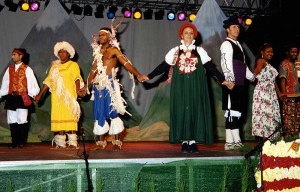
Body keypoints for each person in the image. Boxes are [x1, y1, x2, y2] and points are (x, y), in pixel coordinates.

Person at [139, 23, 234, 153]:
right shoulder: (175, 51)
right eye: (186, 33)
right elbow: (163, 66)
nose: (188, 35)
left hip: (196, 86)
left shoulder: (200, 52)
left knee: (195, 110)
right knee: (182, 110)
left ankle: (193, 142)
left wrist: (223, 80)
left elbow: (211, 68)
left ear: (194, 35)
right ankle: (184, 142)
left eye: (191, 33)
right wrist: (149, 76)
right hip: (180, 86)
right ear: (181, 36)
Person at [87, 21, 143, 151]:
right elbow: (93, 71)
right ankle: (101, 142)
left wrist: (137, 74)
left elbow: (126, 64)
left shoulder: (114, 50)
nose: (100, 37)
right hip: (98, 86)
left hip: (110, 84)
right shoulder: (97, 51)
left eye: (103, 35)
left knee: (113, 112)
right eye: (99, 35)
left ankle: (117, 141)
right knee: (99, 113)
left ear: (109, 37)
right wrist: (86, 85)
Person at [34, 41, 86, 148]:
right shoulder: (54, 67)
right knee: (59, 117)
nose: (61, 54)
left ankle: (72, 142)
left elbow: (77, 77)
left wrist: (77, 89)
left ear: (68, 53)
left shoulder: (73, 65)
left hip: (69, 97)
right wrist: (40, 95)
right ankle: (61, 142)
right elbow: (48, 81)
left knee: (70, 117)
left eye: (64, 52)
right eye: (60, 52)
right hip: (57, 97)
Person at [220, 17, 255, 151]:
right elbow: (225, 63)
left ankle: (230, 141)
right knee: (232, 112)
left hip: (240, 83)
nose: (237, 29)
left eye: (238, 27)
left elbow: (243, 67)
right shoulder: (227, 44)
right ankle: (235, 140)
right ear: (228, 30)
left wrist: (252, 78)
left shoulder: (238, 45)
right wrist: (230, 80)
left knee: (235, 112)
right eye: (234, 27)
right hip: (232, 83)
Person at [0, 48, 40, 148]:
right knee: (12, 119)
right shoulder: (9, 69)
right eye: (12, 54)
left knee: (21, 119)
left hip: (22, 97)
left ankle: (21, 142)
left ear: (20, 56)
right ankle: (14, 142)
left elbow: (32, 84)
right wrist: (1, 94)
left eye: (14, 54)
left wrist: (34, 94)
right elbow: (5, 84)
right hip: (11, 97)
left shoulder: (27, 69)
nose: (12, 56)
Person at [251, 43, 283, 141]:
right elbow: (256, 70)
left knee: (272, 116)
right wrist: (252, 75)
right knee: (265, 116)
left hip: (271, 93)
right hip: (263, 93)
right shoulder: (261, 61)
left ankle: (272, 141)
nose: (271, 53)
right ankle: (265, 143)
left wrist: (279, 94)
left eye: (272, 52)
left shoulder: (269, 65)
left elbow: (273, 82)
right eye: (268, 51)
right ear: (262, 52)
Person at [279, 44, 300, 137]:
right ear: (287, 52)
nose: (294, 54)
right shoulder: (284, 64)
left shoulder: (296, 64)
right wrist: (284, 94)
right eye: (292, 51)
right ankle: (288, 138)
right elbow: (282, 80)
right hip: (288, 95)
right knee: (288, 118)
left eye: (296, 52)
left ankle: (295, 139)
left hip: (297, 95)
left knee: (296, 118)